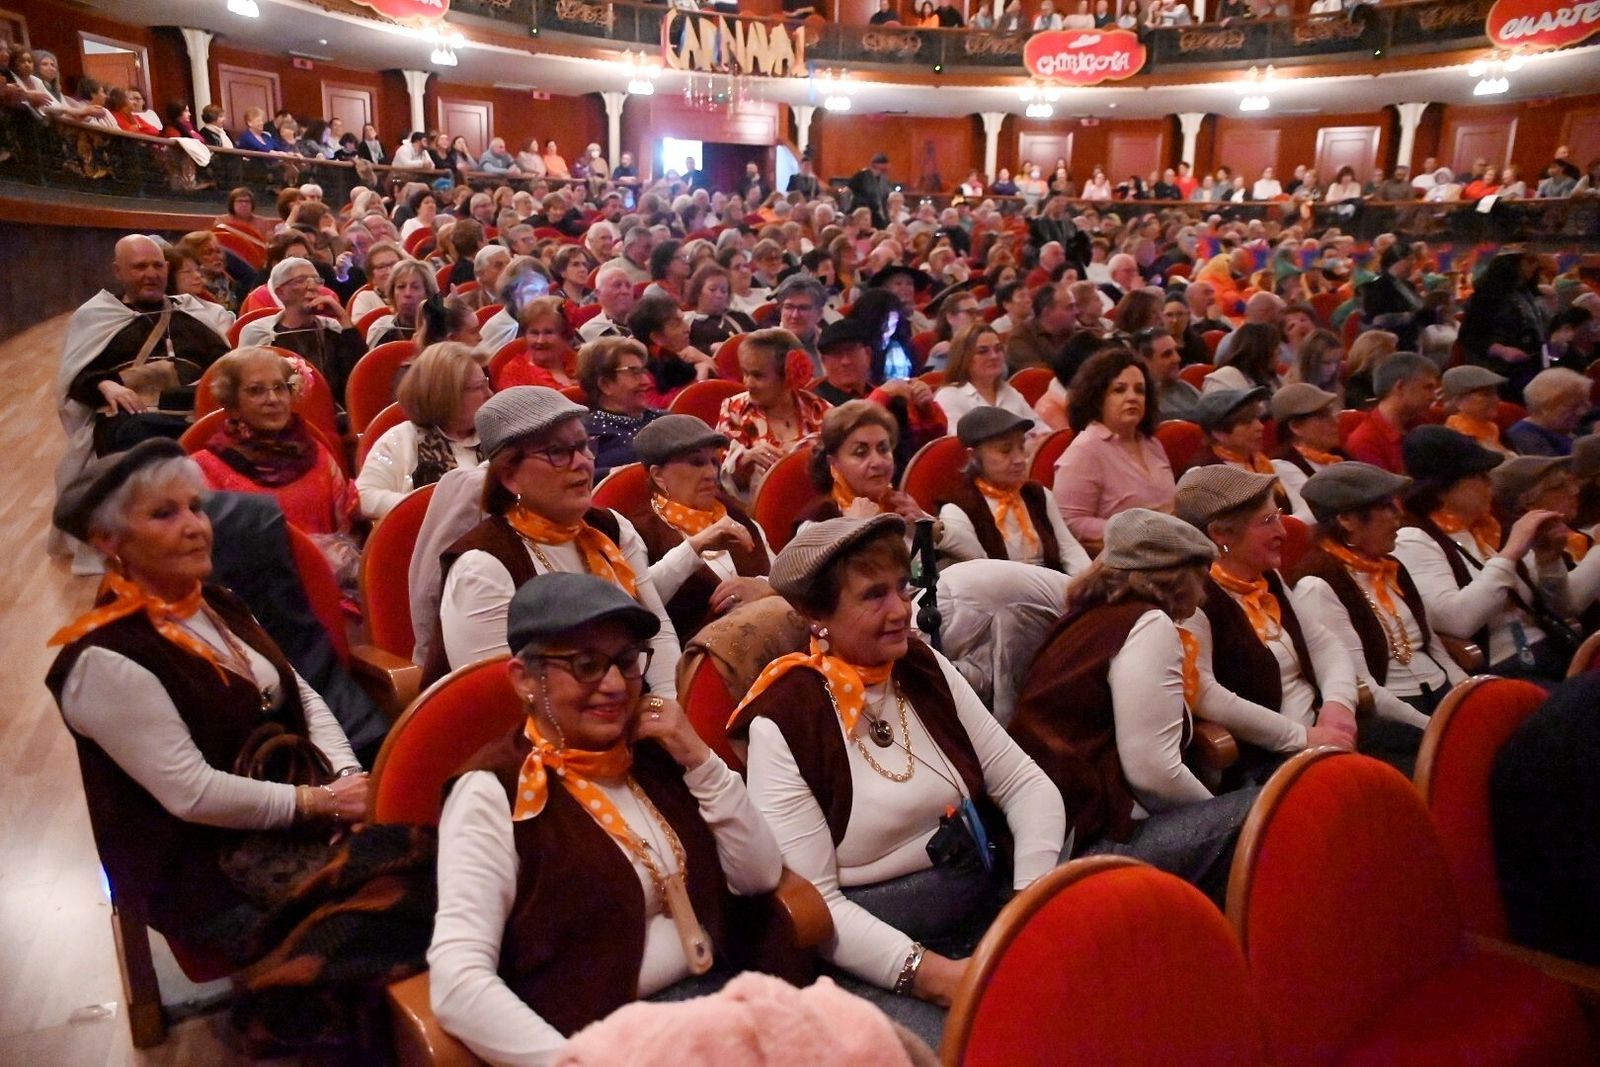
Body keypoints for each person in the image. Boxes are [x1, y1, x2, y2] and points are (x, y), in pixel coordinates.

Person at [738, 515, 1067, 1046]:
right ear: (816, 616)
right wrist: (939, 978)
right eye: (874, 595)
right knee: (988, 1041)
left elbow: (1025, 784)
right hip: (881, 955)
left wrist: (1027, 908)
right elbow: (820, 906)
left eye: (901, 588)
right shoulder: (785, 719)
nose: (900, 611)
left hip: (990, 902)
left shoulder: (920, 665)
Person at [428, 573, 782, 1064]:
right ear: (525, 679)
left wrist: (700, 759)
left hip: (725, 1000)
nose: (614, 685)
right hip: (607, 1041)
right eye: (586, 665)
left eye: (626, 661)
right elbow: (458, 983)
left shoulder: (653, 753)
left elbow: (759, 875)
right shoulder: (494, 792)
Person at [45, 439, 371, 960]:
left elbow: (303, 696)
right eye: (164, 514)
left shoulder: (217, 602)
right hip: (207, 874)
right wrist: (321, 803)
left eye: (196, 507)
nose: (196, 526)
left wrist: (347, 782)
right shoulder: (104, 659)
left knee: (453, 881)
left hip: (296, 823)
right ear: (108, 539)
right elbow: (193, 794)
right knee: (394, 924)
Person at [1012, 508, 1258, 901]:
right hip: (1098, 837)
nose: (1204, 594)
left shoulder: (1090, 616)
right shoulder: (1148, 625)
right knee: (1272, 812)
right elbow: (1152, 772)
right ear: (1176, 579)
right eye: (1201, 578)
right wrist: (1219, 814)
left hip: (1060, 828)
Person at [434, 386, 679, 690]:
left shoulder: (611, 528)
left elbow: (657, 631)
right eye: (558, 452)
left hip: (629, 703)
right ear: (510, 476)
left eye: (583, 445)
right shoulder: (482, 566)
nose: (583, 462)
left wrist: (664, 705)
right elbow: (498, 696)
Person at [1173, 466, 1364, 777]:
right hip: (1267, 759)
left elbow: (1323, 642)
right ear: (1220, 534)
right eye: (1267, 522)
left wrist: (1338, 705)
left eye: (1278, 516)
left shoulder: (1267, 577)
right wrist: (1302, 737)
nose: (1283, 532)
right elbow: (1205, 694)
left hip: (1323, 735)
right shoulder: (1194, 599)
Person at [56, 233, 233, 534]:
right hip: (130, 418)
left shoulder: (192, 312)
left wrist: (210, 381)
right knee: (136, 437)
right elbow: (76, 377)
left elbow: (225, 364)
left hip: (192, 410)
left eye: (157, 266)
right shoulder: (96, 316)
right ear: (118, 271)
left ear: (167, 268)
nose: (151, 274)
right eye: (140, 267)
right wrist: (105, 385)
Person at [1393, 426, 1584, 682]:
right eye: (1479, 476)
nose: (1489, 484)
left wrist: (1548, 562)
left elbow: (1562, 608)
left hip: (1551, 650)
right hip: (1504, 669)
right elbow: (1458, 621)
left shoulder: (1490, 528)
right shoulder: (1415, 539)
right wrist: (1510, 553)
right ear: (1440, 490)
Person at [1290, 462, 1468, 727]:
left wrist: (1468, 693)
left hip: (1441, 695)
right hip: (1393, 716)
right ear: (1347, 520)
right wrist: (1431, 726)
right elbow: (1362, 685)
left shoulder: (1391, 567)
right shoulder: (1318, 586)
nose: (1398, 514)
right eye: (1386, 506)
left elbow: (1434, 647)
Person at [191, 348, 360, 580]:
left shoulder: (319, 455)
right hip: (250, 591)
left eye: (280, 388)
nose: (272, 399)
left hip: (330, 584)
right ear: (233, 405)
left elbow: (346, 532)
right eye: (256, 390)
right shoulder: (205, 468)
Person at [625, 416, 776, 641]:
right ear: (658, 475)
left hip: (768, 637)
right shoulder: (639, 530)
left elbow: (784, 577)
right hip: (693, 653)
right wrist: (694, 546)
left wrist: (764, 587)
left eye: (714, 462)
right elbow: (637, 602)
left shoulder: (735, 515)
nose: (711, 474)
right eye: (697, 462)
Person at [1052, 348, 1176, 553]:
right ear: (1097, 398)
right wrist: (1135, 531)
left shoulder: (1152, 443)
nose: (1132, 397)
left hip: (1171, 548)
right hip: (1125, 557)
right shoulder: (1085, 451)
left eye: (1140, 390)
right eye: (1119, 390)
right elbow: (1069, 523)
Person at [938, 407, 1089, 573]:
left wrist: (1089, 583)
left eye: (1021, 447)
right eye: (1006, 450)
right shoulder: (959, 508)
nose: (1019, 459)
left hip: (1053, 584)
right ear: (973, 456)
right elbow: (979, 572)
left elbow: (1070, 550)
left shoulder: (1037, 494)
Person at [356, 342, 490, 519]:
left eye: (486, 383)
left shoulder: (494, 434)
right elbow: (363, 498)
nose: (489, 394)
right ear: (447, 394)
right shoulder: (401, 440)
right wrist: (436, 506)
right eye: (479, 387)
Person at [238, 256, 367, 402]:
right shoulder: (258, 332)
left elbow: (360, 379)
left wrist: (343, 320)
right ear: (281, 292)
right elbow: (247, 387)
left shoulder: (333, 329)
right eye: (301, 280)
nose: (312, 287)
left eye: (316, 280)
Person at [1460, 252, 1548, 401]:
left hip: (1530, 367)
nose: (1534, 267)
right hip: (1499, 372)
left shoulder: (1527, 293)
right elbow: (1469, 336)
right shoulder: (1488, 296)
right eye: (1528, 261)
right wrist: (1502, 351)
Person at [577, 337, 668, 479]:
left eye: (643, 371)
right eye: (634, 372)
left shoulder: (666, 420)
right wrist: (620, 476)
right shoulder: (585, 432)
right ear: (605, 384)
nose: (646, 381)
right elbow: (577, 475)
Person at [1343, 352, 1442, 473]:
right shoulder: (1364, 442)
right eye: (1427, 387)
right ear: (1400, 386)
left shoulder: (1424, 423)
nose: (1433, 397)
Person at [934, 324, 1036, 429]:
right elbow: (957, 439)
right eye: (982, 351)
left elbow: (1040, 430)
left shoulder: (1009, 391)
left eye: (998, 349)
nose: (994, 356)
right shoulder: (949, 396)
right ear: (963, 358)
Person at [1269, 382, 1345, 519]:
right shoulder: (1283, 466)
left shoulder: (1339, 455)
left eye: (1332, 413)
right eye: (1323, 416)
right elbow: (1313, 515)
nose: (1335, 422)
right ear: (1296, 427)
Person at [630, 291, 715, 407]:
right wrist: (699, 380)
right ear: (656, 337)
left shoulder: (686, 354)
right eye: (676, 324)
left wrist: (705, 359)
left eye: (683, 320)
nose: (687, 328)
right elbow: (654, 407)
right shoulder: (639, 368)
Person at [1360, 243, 1439, 353]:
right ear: (1394, 262)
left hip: (1414, 343)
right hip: (1390, 347)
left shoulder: (1409, 286)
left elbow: (1423, 315)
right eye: (1409, 259)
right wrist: (1412, 316)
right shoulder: (1375, 288)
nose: (1413, 263)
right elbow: (1376, 320)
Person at [497, 295, 578, 391]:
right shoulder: (515, 373)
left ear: (565, 335)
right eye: (534, 333)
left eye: (548, 332)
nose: (540, 341)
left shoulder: (579, 362)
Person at [1505, 368, 1591, 457]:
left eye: (1585, 403)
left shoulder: (1569, 426)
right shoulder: (1524, 434)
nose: (1582, 412)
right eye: (1573, 406)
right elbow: (1556, 465)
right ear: (1543, 407)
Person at [366, 258, 438, 346]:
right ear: (392, 293)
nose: (407, 293)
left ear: (428, 293)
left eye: (415, 287)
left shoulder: (442, 330)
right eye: (401, 287)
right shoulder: (381, 330)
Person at [1442, 365, 1513, 454]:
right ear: (1459, 401)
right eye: (1485, 394)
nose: (1496, 400)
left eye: (1495, 393)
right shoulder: (1459, 436)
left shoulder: (1492, 429)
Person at [1136, 326, 1201, 422]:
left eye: (1176, 351)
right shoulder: (1141, 403)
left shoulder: (1185, 388)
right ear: (1144, 361)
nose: (1177, 359)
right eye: (1167, 354)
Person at [686, 264, 756, 350]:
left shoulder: (740, 316)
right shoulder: (690, 325)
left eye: (724, 291)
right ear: (697, 291)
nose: (719, 295)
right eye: (712, 289)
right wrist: (710, 348)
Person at [849, 153, 893, 230]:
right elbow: (852, 192)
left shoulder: (884, 179)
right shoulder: (862, 176)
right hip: (864, 210)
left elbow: (885, 197)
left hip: (878, 213)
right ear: (876, 165)